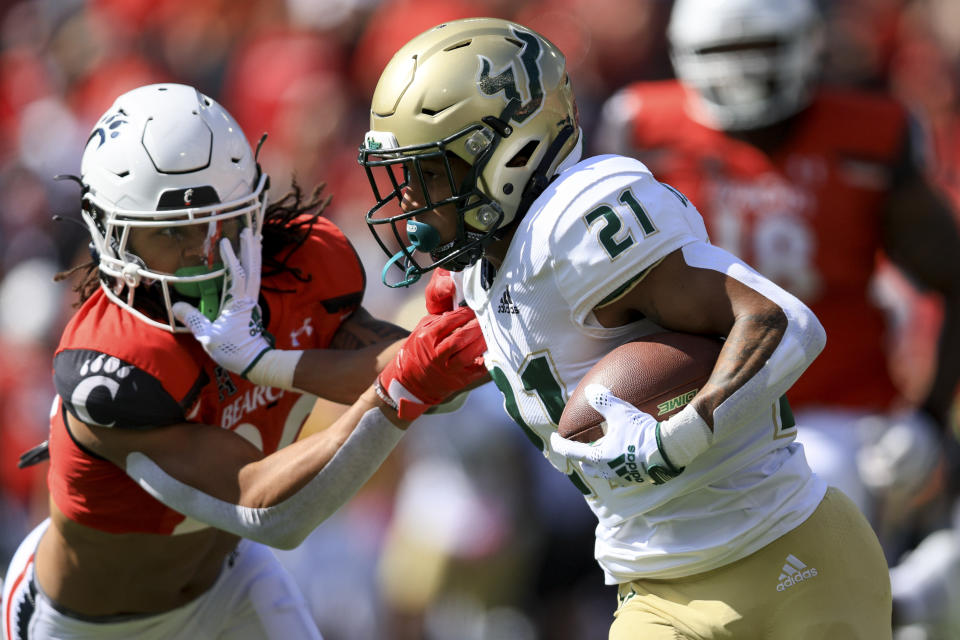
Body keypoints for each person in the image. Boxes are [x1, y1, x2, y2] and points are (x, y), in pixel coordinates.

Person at [351, 16, 892, 638]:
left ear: (510, 153)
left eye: (432, 173)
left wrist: (685, 431)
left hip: (789, 549)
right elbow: (386, 389)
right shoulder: (480, 275)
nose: (414, 200)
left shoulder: (579, 222)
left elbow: (781, 321)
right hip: (656, 585)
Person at [0, 83, 487, 640]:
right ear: (114, 237)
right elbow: (269, 512)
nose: (205, 251)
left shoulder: (298, 269)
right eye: (176, 231)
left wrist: (444, 340)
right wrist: (399, 389)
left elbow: (428, 377)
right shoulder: (115, 366)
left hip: (227, 584)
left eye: (221, 221)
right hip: (93, 626)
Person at [594, 0, 960, 534]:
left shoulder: (868, 132)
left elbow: (951, 275)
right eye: (722, 51)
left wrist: (927, 419)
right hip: (682, 402)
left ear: (809, 43)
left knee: (821, 481)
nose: (740, 71)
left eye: (757, 49)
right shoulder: (643, 127)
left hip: (837, 407)